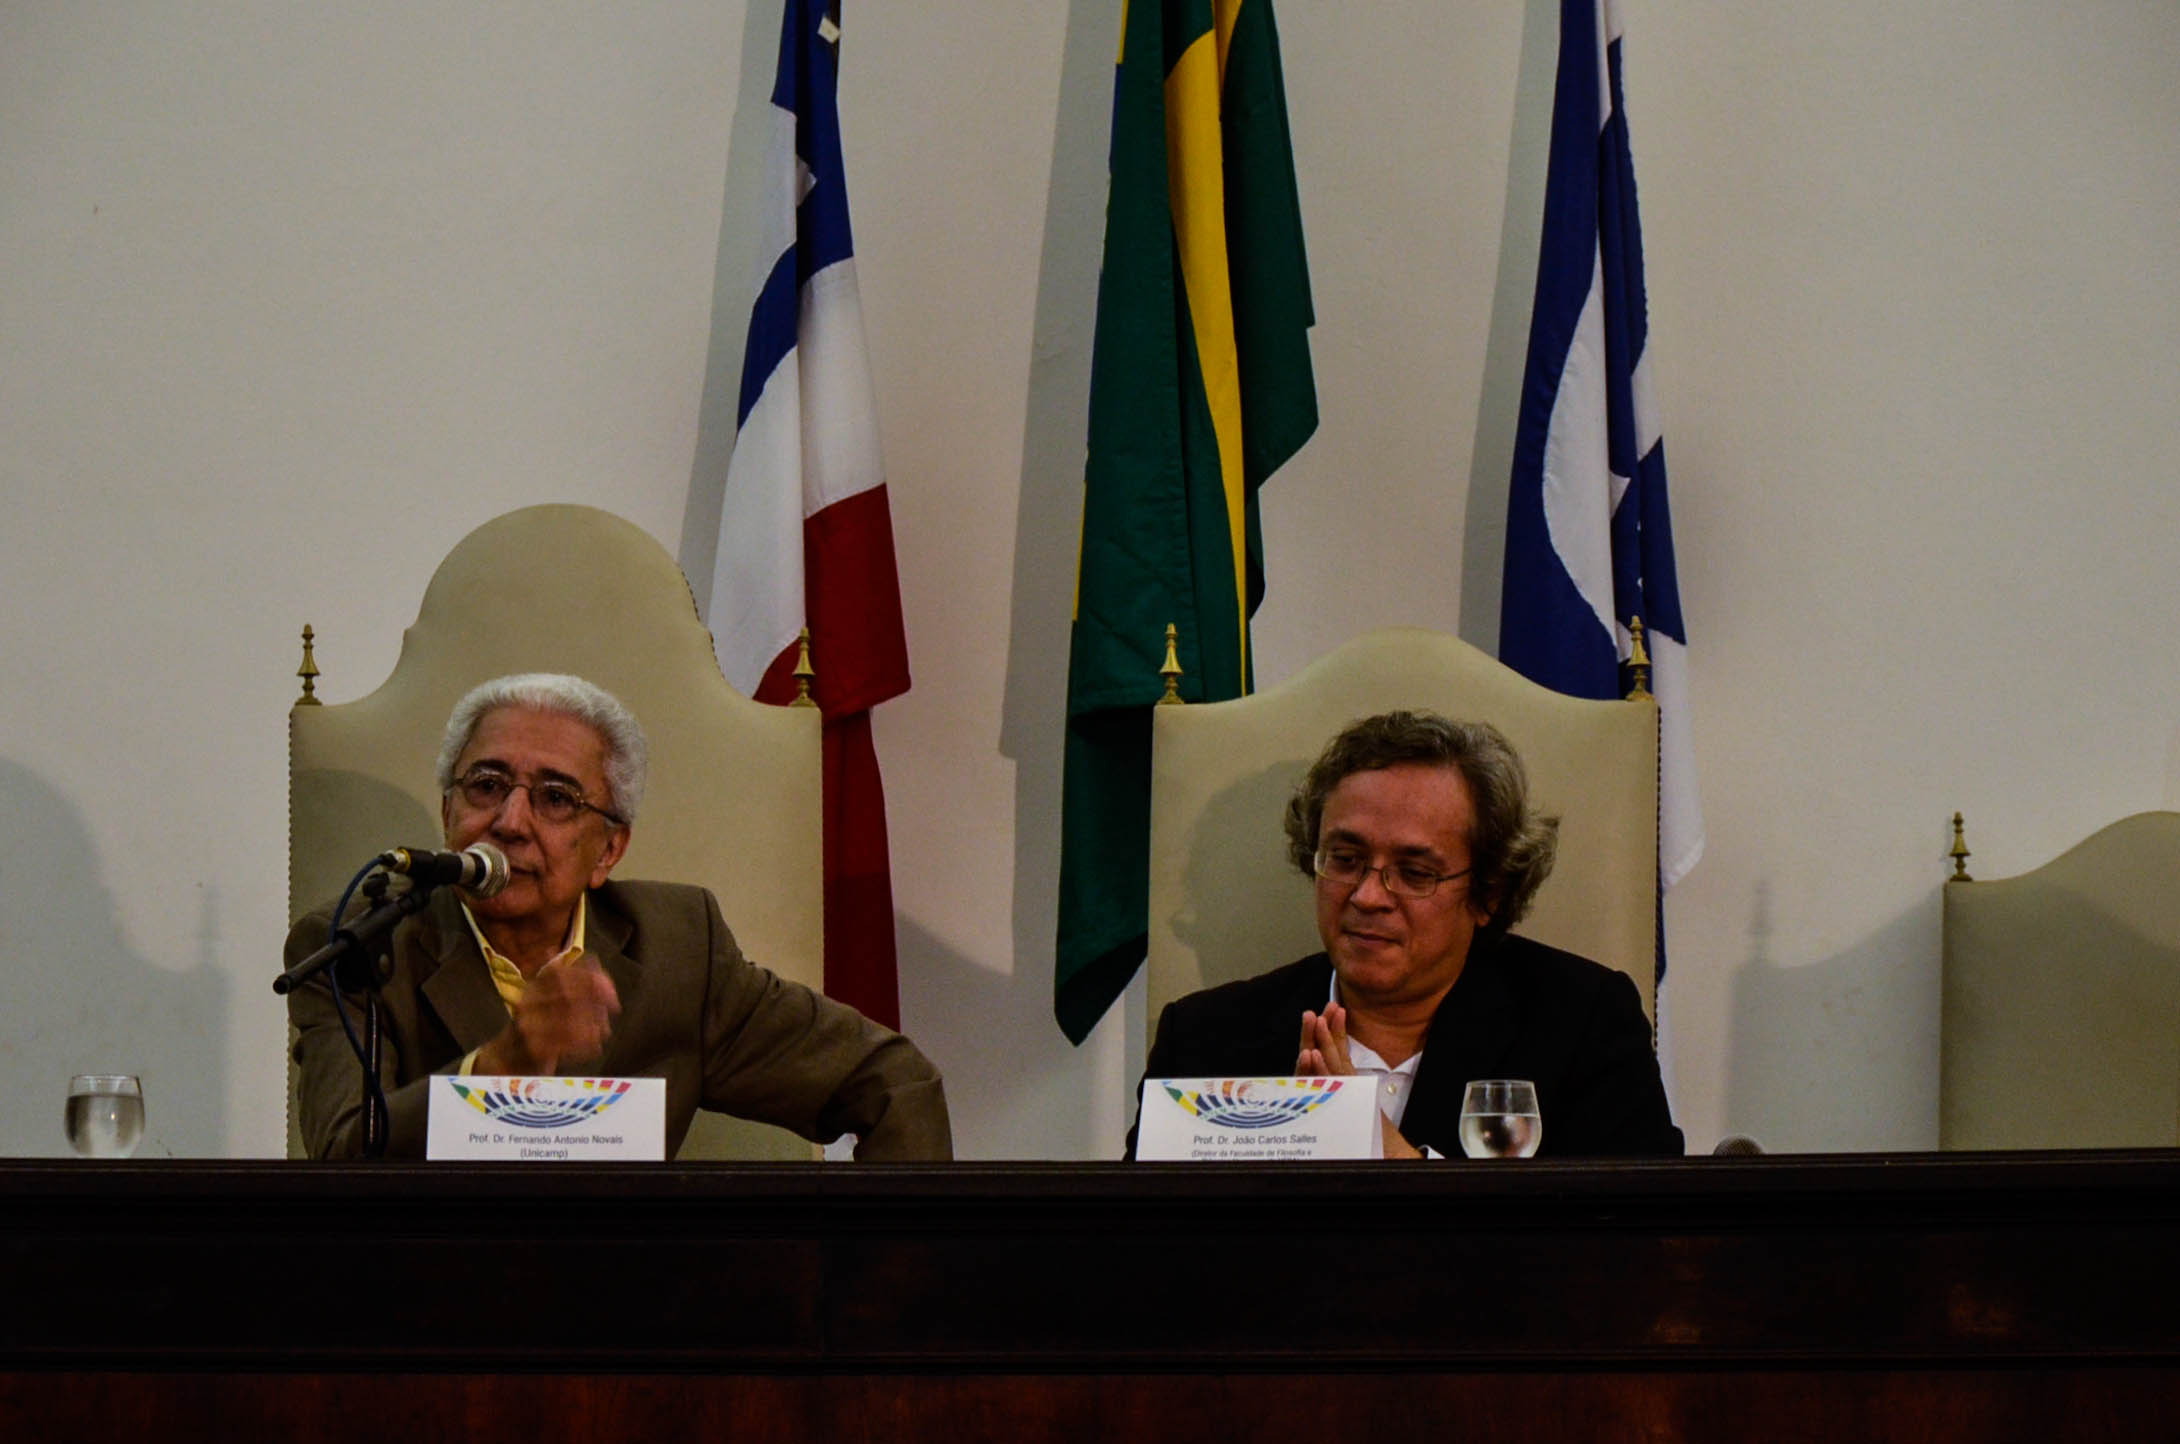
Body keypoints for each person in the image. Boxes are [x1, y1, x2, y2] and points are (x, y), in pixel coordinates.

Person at [286, 673, 951, 1161]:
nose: (511, 822)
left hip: (638, 1322)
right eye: (486, 786)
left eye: (555, 798)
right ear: (449, 814)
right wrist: (502, 1064)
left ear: (608, 850)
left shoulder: (677, 949)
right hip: (437, 1325)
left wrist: (874, 1305)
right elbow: (344, 1154)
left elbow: (894, 1081)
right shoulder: (360, 945)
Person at [1129, 710, 1681, 1159]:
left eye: (1415, 873)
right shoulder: (1204, 1039)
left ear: (1488, 893)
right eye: (1345, 860)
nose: (1368, 896)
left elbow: (1640, 1254)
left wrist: (1391, 1158)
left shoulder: (1582, 1024)